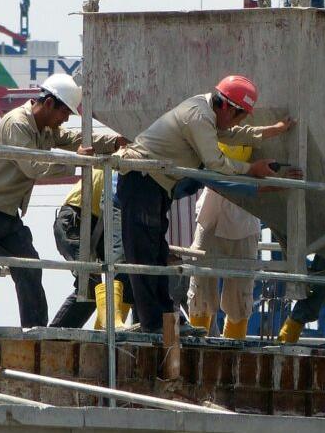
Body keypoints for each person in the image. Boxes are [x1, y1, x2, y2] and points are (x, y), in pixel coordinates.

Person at [0, 74, 126, 327]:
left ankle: (35, 331)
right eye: (64, 113)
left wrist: (115, 143)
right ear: (48, 105)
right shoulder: (18, 123)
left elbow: (74, 140)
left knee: (29, 268)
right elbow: (34, 167)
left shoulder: (44, 128)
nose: (65, 119)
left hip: (6, 212)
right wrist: (77, 162)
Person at [115, 75, 296, 335]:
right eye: (239, 115)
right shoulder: (198, 117)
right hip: (141, 180)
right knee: (143, 255)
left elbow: (232, 134)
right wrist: (252, 170)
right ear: (227, 107)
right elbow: (216, 164)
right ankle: (153, 324)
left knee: (156, 253)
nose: (239, 122)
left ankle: (167, 320)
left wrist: (272, 131)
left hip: (155, 184)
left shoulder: (207, 112)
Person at [186, 144, 262, 340]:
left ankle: (233, 354)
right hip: (211, 213)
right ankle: (197, 348)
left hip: (246, 214)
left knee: (240, 295)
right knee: (201, 288)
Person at [48, 168, 134, 329]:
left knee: (125, 274)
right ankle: (58, 334)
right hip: (75, 219)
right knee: (90, 282)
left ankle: (107, 327)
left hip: (99, 224)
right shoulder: (120, 160)